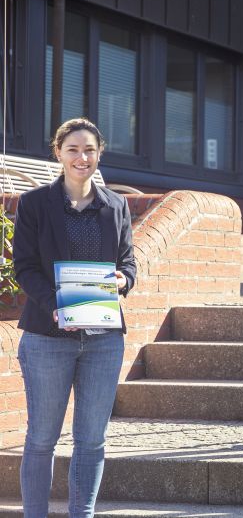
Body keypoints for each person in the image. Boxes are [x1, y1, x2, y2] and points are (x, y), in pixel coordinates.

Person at [12, 118, 136, 517]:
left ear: (99, 154)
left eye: (89, 150)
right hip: (48, 337)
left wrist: (124, 279)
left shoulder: (116, 205)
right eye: (73, 150)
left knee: (92, 440)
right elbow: (25, 268)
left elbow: (128, 262)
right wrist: (55, 303)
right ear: (58, 153)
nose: (82, 157)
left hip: (102, 339)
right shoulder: (34, 204)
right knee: (42, 438)